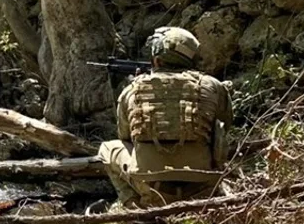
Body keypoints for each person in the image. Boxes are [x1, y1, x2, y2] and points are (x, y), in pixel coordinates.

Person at [99, 27, 233, 208]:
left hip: (153, 189)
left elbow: (126, 136)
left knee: (107, 148)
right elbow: (226, 125)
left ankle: (133, 205)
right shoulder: (213, 86)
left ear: (157, 58)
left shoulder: (132, 90)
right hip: (204, 187)